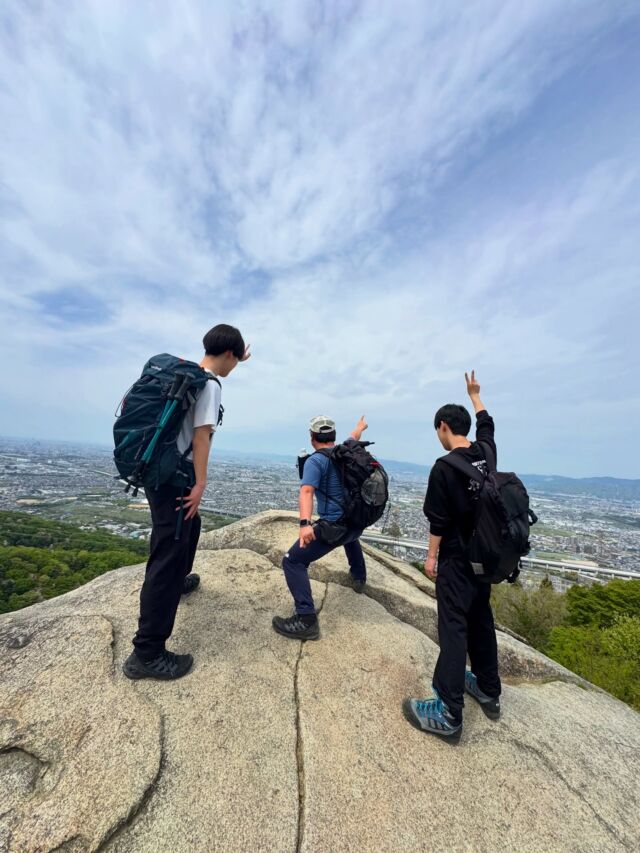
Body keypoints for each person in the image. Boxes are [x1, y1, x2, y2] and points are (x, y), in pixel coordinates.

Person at [123, 324, 250, 681]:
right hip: (176, 481)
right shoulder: (208, 385)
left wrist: (240, 351)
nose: (236, 366)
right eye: (237, 359)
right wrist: (200, 483)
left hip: (154, 474)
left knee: (188, 529)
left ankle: (178, 580)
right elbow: (201, 437)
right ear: (229, 355)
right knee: (168, 554)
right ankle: (146, 653)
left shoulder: (185, 374)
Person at [403, 371, 501, 741]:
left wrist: (431, 559)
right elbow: (488, 425)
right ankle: (488, 688)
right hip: (486, 558)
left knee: (454, 626)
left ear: (443, 427)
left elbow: (438, 521)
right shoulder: (485, 452)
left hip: (458, 559)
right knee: (480, 618)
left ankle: (448, 710)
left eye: (438, 432)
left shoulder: (444, 467)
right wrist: (476, 396)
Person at [272, 415, 369, 640]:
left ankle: (306, 619)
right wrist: (359, 427)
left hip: (335, 528)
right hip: (356, 523)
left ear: (312, 437)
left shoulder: (315, 461)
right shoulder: (347, 450)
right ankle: (359, 577)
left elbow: (306, 491)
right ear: (333, 437)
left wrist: (305, 524)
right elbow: (354, 436)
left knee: (292, 561)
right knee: (350, 537)